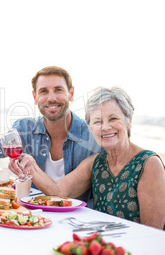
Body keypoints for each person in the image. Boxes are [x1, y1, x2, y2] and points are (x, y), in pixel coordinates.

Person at [10, 86, 165, 229]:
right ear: (90, 128)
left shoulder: (148, 164)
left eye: (113, 119)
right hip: (103, 243)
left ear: (129, 121)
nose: (105, 127)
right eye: (97, 121)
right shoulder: (95, 163)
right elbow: (58, 191)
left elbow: (152, 233)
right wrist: (32, 166)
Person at [0, 66, 101, 203]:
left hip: (76, 220)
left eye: (58, 90)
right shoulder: (23, 129)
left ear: (71, 93)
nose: (51, 98)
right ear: (35, 97)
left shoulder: (93, 137)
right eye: (43, 91)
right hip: (31, 217)